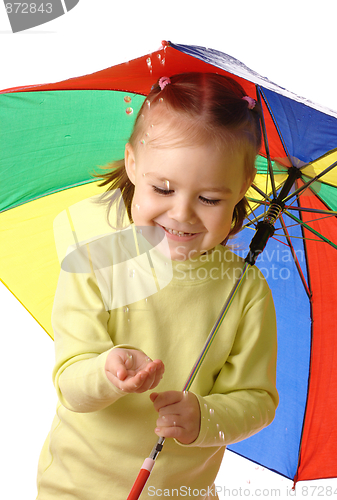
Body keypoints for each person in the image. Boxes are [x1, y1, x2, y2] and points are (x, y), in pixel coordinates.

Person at [36, 73, 278, 499]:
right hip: (75, 487)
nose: (182, 213)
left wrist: (205, 417)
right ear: (133, 164)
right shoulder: (96, 259)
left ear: (243, 187)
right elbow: (71, 383)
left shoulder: (246, 291)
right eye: (163, 188)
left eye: (210, 199)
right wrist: (106, 371)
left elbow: (257, 399)